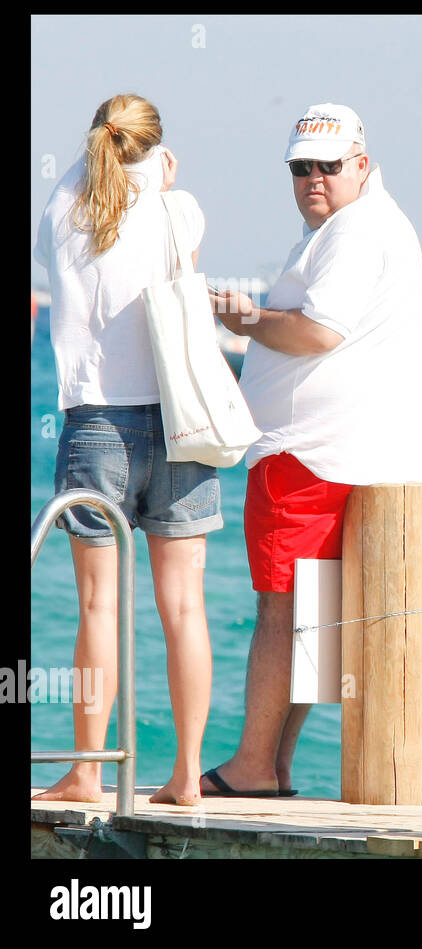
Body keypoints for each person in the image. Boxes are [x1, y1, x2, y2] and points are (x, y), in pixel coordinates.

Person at [201, 103, 422, 797]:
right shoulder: (366, 225)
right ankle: (272, 766)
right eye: (300, 167)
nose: (313, 180)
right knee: (316, 618)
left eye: (328, 167)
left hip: (311, 456)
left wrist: (240, 316)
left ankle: (251, 765)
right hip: (356, 456)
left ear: (361, 164)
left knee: (283, 612)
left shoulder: (355, 231)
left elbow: (315, 332)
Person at [33, 94, 219, 806]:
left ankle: (87, 769)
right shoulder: (180, 209)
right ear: (156, 149)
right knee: (185, 607)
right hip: (181, 423)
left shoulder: (63, 209)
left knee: (97, 607)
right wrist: (164, 178)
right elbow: (182, 255)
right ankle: (185, 774)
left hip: (97, 426)